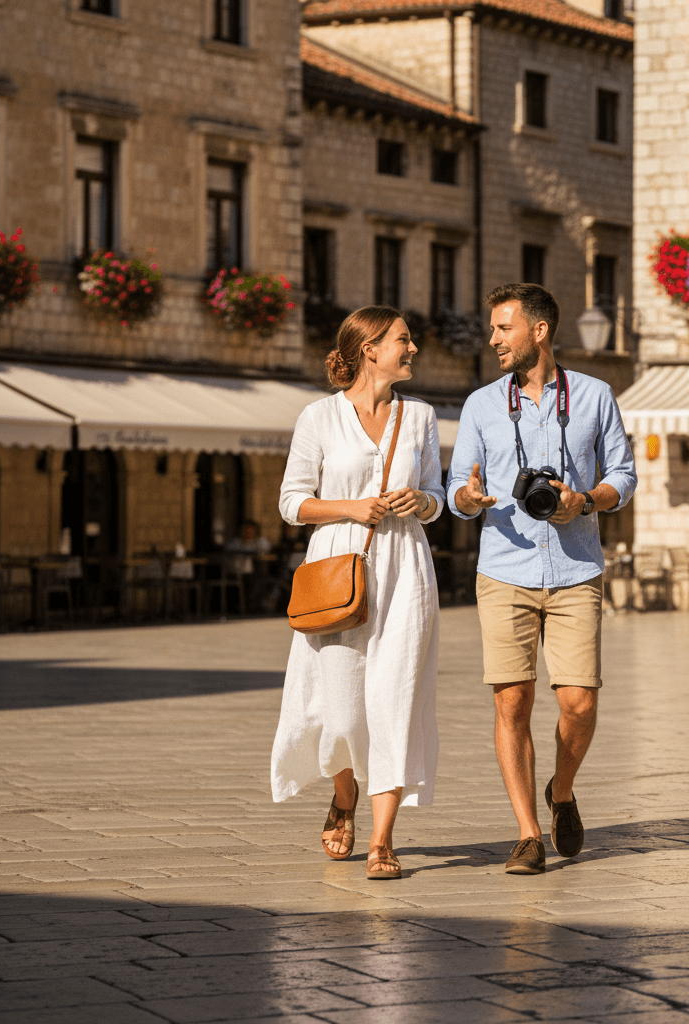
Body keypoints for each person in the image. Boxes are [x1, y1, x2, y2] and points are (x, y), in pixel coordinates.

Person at [447, 283, 637, 875]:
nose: (493, 339)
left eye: (504, 328)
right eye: (493, 329)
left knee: (578, 702)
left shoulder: (596, 394)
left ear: (539, 331)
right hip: (503, 568)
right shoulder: (480, 405)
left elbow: (624, 475)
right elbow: (455, 489)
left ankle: (562, 790)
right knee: (513, 701)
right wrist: (470, 498)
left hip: (577, 568)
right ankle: (528, 833)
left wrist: (586, 500)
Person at [271, 306, 445, 880]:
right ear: (370, 348)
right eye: (403, 339)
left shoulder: (420, 417)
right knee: (343, 711)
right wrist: (353, 507)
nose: (413, 347)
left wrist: (421, 503)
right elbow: (292, 502)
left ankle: (382, 840)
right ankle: (343, 792)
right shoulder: (318, 416)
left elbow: (436, 498)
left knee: (396, 700)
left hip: (405, 571)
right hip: (339, 567)